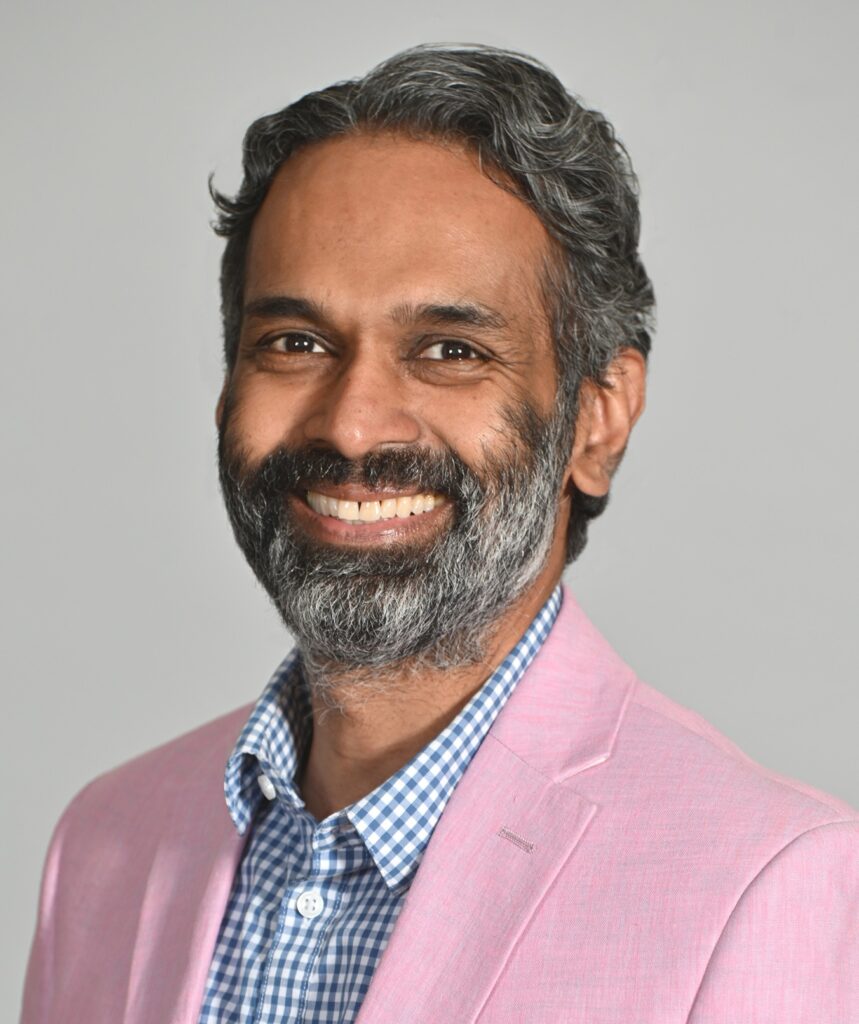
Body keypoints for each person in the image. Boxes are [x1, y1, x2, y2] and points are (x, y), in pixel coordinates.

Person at [21, 43, 858, 1024]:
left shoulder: (763, 883)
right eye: (295, 343)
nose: (352, 424)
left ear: (598, 414)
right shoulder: (106, 841)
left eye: (449, 350)